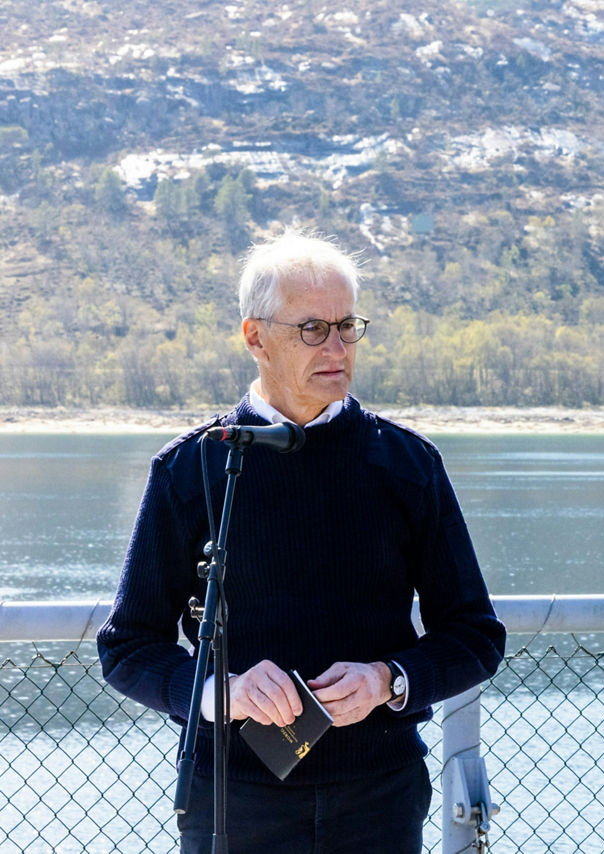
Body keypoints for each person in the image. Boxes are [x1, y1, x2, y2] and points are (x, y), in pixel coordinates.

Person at [97, 230, 506, 853]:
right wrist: (218, 693)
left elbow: (476, 635)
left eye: (347, 326)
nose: (337, 347)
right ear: (254, 337)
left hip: (380, 797)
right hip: (230, 798)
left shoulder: (407, 463)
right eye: (312, 329)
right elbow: (127, 649)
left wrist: (389, 679)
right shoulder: (193, 468)